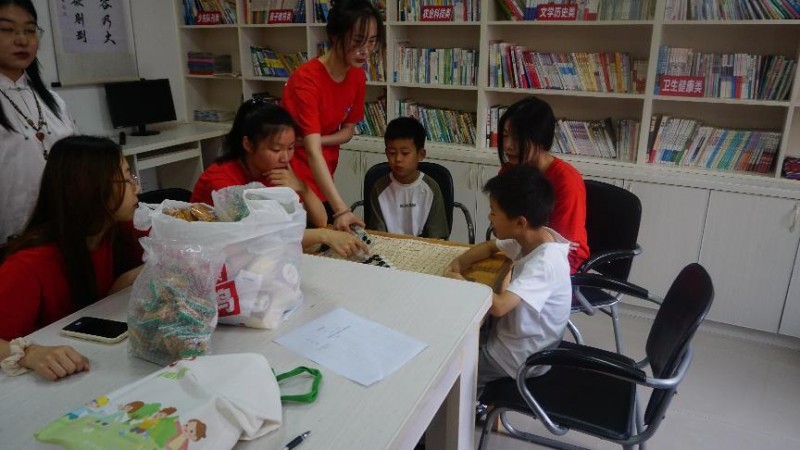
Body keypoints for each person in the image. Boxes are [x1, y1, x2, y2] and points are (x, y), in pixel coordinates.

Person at [0, 136, 144, 381]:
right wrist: (29, 353)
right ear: (91, 188)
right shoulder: (29, 264)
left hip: (91, 363)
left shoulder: (114, 230)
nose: (137, 188)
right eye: (127, 178)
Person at [444, 165, 572, 393]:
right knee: (452, 342)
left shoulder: (545, 262)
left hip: (520, 358)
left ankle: (468, 404)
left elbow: (499, 307)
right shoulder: (532, 237)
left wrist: (460, 282)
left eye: (493, 212)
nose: (489, 217)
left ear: (519, 222)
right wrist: (459, 263)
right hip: (515, 338)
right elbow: (490, 247)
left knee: (448, 375)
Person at [191, 99, 369, 258]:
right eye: (276, 149)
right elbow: (258, 238)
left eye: (290, 148)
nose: (285, 157)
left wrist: (302, 188)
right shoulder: (221, 181)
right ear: (248, 144)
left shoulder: (274, 169)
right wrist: (324, 235)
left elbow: (320, 220)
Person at [281, 0, 384, 231]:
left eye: (371, 41)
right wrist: (342, 210)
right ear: (335, 36)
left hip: (323, 177)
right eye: (358, 40)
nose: (365, 50)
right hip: (292, 177)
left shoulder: (357, 76)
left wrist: (319, 139)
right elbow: (312, 151)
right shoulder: (307, 80)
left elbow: (347, 131)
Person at [0, 0, 77, 243]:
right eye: (7, 29)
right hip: (10, 239)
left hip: (61, 230)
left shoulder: (53, 101)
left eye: (30, 30)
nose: (22, 40)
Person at [497, 96, 589, 273]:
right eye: (505, 136)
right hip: (519, 253)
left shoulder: (566, 180)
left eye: (518, 138)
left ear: (540, 139)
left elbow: (565, 249)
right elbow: (506, 228)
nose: (508, 146)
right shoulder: (509, 171)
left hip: (559, 263)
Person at [366, 116, 448, 239]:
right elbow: (378, 236)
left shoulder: (431, 188)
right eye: (392, 153)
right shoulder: (379, 188)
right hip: (388, 246)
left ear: (420, 154)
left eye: (405, 153)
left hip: (423, 247)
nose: (398, 159)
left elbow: (437, 237)